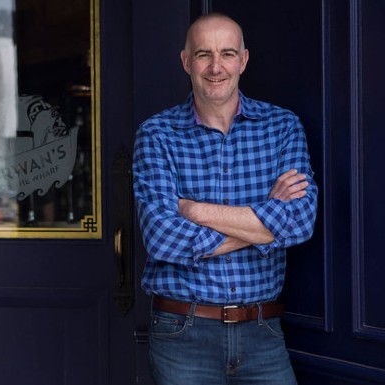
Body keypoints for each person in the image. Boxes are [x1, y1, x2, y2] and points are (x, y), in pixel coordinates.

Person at [132, 12, 318, 385]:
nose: (216, 67)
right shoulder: (157, 135)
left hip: (262, 330)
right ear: (186, 61)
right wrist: (264, 227)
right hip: (183, 332)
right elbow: (162, 237)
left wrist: (194, 210)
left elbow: (299, 221)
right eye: (203, 54)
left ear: (243, 60)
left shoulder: (282, 127)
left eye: (227, 53)